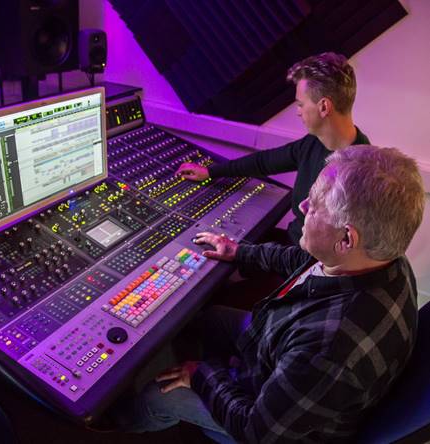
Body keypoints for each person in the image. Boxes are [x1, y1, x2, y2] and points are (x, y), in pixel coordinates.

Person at [116, 145, 425, 443]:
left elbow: (256, 430)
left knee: (158, 396)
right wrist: (239, 252)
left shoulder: (331, 348)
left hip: (274, 425)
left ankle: (122, 426)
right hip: (278, 359)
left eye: (314, 205)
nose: (302, 206)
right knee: (209, 318)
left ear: (346, 238)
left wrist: (200, 374)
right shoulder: (381, 258)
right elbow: (304, 261)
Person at [176, 52, 370, 245]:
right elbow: (264, 162)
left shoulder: (357, 173)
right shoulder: (315, 142)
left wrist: (239, 252)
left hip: (301, 262)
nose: (298, 111)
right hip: (290, 244)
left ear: (324, 107)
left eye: (301, 104)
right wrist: (211, 172)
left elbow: (322, 257)